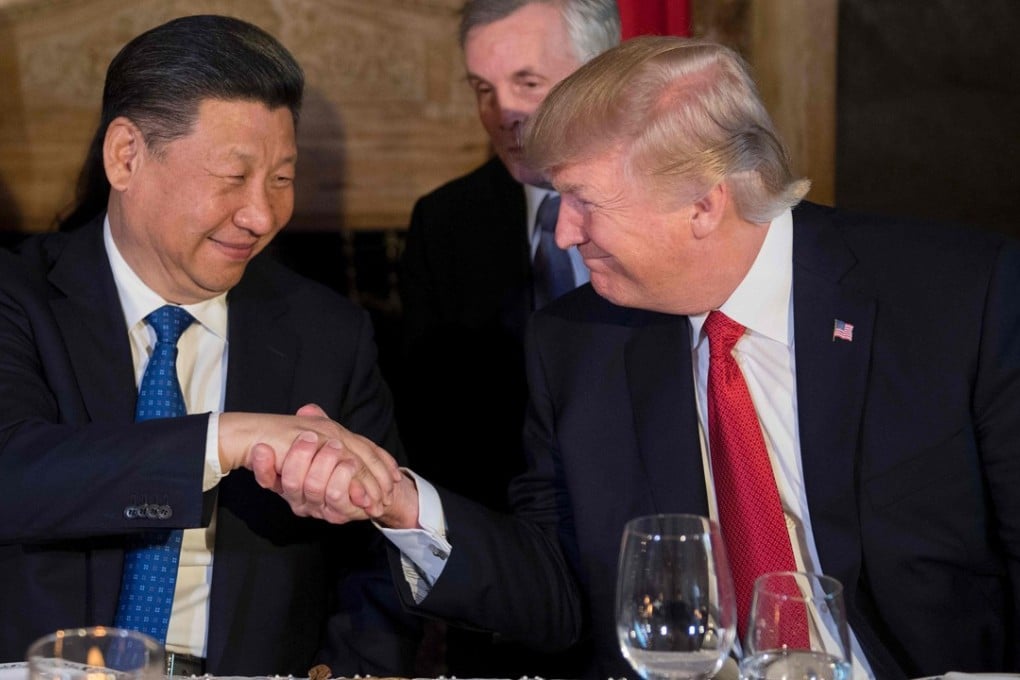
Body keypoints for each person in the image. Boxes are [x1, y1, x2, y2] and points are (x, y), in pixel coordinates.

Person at [268, 36, 1020, 679]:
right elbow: (559, 593)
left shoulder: (961, 301)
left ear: (704, 202)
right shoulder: (578, 342)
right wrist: (400, 501)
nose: (562, 235)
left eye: (584, 200)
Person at [0, 15, 420, 676]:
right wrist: (222, 439)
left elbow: (381, 562)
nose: (261, 215)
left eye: (281, 179)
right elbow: (14, 472)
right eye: (233, 177)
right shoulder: (17, 297)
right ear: (126, 157)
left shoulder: (326, 334)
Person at [394, 1, 619, 676]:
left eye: (528, 82)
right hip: (502, 586)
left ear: (600, 74)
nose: (504, 114)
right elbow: (433, 426)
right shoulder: (444, 223)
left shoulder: (663, 211)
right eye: (483, 90)